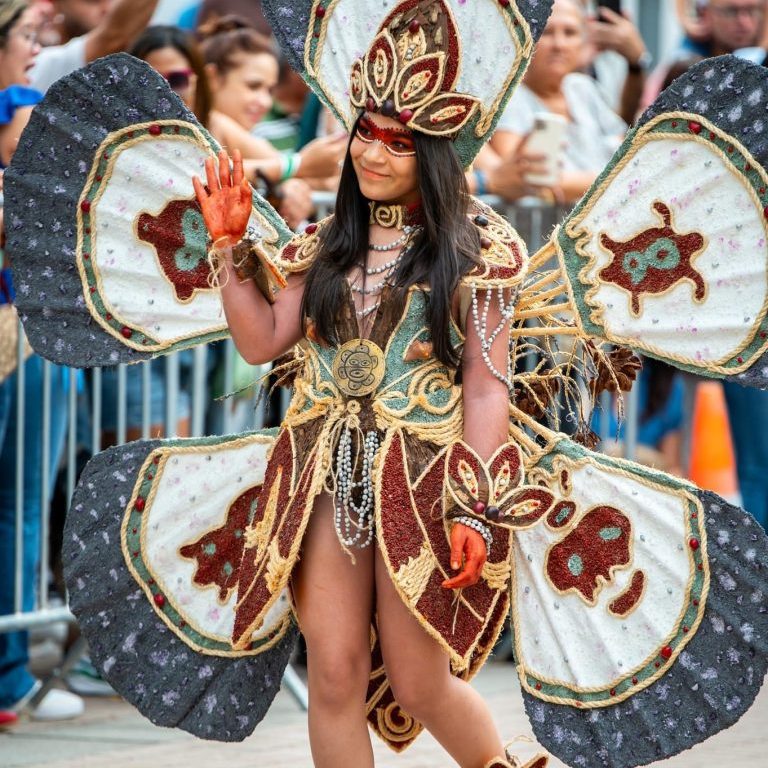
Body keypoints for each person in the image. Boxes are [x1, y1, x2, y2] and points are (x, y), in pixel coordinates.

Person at [0, 0, 83, 723]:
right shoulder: (20, 105)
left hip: (25, 329)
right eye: (27, 34)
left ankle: (12, 673)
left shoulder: (24, 99)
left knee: (24, 501)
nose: (37, 48)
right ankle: (9, 675)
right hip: (20, 329)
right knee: (20, 502)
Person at [488, 0, 628, 204]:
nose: (559, 45)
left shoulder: (583, 88)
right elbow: (521, 179)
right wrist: (616, 180)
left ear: (584, 41)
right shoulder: (508, 96)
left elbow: (627, 152)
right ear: (527, 36)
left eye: (570, 33)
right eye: (547, 32)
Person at [29, 0, 161, 93]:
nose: (107, 8)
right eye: (92, 0)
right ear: (57, 4)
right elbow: (117, 35)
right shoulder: (39, 64)